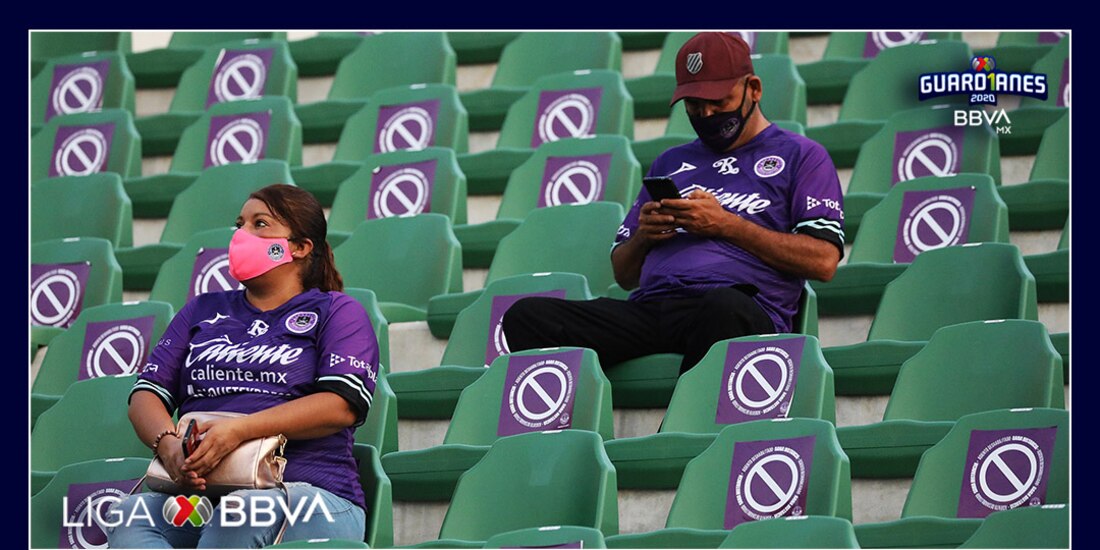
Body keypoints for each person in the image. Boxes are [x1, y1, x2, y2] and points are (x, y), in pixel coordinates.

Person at [503, 32, 844, 374]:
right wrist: (645, 237)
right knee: (528, 317)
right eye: (694, 104)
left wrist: (727, 225)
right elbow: (624, 275)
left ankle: (686, 423)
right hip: (653, 309)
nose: (707, 113)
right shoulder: (671, 161)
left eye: (718, 101)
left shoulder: (802, 155)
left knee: (724, 307)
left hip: (736, 307)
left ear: (753, 89)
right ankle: (579, 425)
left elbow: (824, 261)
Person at [107, 184, 379, 548]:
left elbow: (341, 405)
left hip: (310, 494)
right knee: (131, 515)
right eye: (240, 224)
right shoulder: (201, 310)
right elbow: (145, 395)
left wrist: (239, 432)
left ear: (299, 247)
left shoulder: (337, 311)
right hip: (205, 495)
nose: (241, 235)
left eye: (260, 224)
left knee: (243, 510)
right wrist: (169, 446)